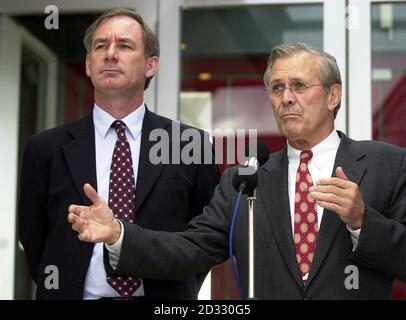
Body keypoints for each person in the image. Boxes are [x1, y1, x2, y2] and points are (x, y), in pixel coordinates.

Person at [68, 43, 406, 299]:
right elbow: (192, 249)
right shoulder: (244, 180)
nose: (286, 98)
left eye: (299, 86)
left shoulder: (387, 165)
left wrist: (363, 222)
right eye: (276, 88)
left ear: (333, 96)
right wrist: (119, 234)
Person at [19, 8, 220, 300]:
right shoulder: (45, 149)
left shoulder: (189, 145)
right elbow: (34, 242)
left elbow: (207, 240)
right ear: (88, 65)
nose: (110, 54)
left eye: (124, 45)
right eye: (101, 46)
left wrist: (176, 287)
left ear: (151, 65)